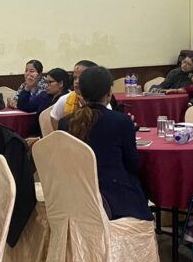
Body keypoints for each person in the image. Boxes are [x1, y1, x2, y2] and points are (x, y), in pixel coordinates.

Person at [57, 66, 153, 221]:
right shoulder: (121, 121)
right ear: (109, 92)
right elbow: (133, 164)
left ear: (80, 91)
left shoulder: (65, 123)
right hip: (113, 199)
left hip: (76, 196)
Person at [50, 60, 99, 129]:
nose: (77, 81)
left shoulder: (101, 101)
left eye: (82, 78)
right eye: (75, 78)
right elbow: (54, 117)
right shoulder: (65, 99)